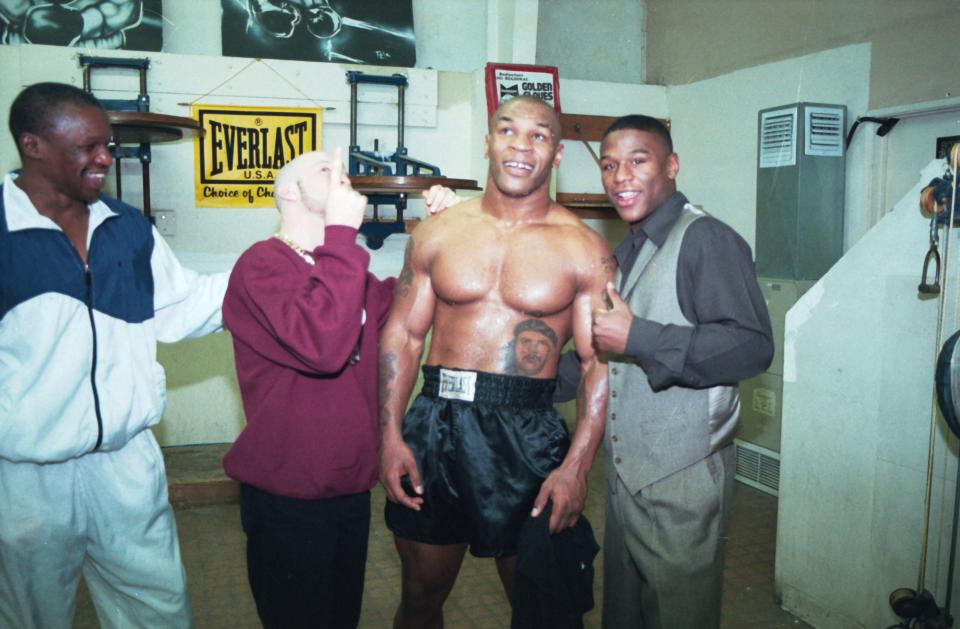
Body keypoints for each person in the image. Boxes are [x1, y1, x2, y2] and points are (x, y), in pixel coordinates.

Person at [378, 95, 614, 629]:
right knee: (419, 596)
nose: (521, 146)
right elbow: (404, 335)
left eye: (539, 135)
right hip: (437, 422)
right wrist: (389, 434)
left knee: (543, 606)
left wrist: (576, 468)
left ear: (556, 154)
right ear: (488, 143)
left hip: (526, 434)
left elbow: (600, 364)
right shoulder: (437, 232)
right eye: (508, 131)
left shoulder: (583, 248)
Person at [0, 82, 227, 627]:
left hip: (126, 466)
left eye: (108, 145)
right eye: (87, 147)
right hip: (26, 477)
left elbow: (185, 304)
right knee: (30, 616)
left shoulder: (126, 228)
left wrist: (276, 266)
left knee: (159, 610)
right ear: (32, 145)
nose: (105, 158)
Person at [221, 148, 456, 628]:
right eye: (324, 170)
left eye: (342, 171)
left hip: (348, 490)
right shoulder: (261, 265)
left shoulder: (351, 272)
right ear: (287, 191)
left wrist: (441, 231)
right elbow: (323, 345)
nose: (341, 177)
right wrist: (342, 232)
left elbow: (412, 299)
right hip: (287, 497)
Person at [556, 114, 774, 629]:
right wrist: (521, 382)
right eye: (609, 165)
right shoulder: (628, 249)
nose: (620, 177)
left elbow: (751, 347)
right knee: (627, 612)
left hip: (682, 475)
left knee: (680, 614)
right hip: (627, 476)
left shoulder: (706, 240)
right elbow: (603, 360)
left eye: (638, 160)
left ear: (672, 165)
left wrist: (640, 337)